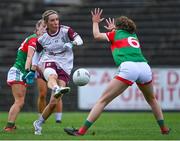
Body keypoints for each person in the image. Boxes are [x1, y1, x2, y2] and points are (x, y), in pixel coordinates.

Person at [64, 8, 170, 136]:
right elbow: (120, 36)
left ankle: (81, 132)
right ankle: (164, 129)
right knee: (152, 99)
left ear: (118, 27)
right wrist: (114, 30)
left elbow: (97, 35)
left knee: (102, 101)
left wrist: (95, 22)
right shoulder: (133, 35)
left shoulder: (115, 34)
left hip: (129, 67)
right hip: (144, 67)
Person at [26, 10, 83, 135]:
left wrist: (72, 43)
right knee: (52, 75)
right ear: (46, 23)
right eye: (52, 20)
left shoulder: (66, 30)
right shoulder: (43, 38)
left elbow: (80, 40)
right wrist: (32, 70)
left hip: (65, 64)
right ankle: (56, 87)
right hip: (49, 60)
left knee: (53, 103)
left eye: (57, 19)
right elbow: (37, 54)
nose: (56, 22)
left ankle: (38, 123)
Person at [4, 19, 46, 131]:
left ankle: (11, 124)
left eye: (47, 28)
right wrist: (29, 70)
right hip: (19, 71)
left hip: (22, 72)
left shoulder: (41, 42)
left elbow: (37, 63)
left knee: (19, 101)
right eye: (43, 27)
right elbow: (30, 57)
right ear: (37, 29)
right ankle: (9, 127)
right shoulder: (34, 39)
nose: (45, 29)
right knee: (19, 101)